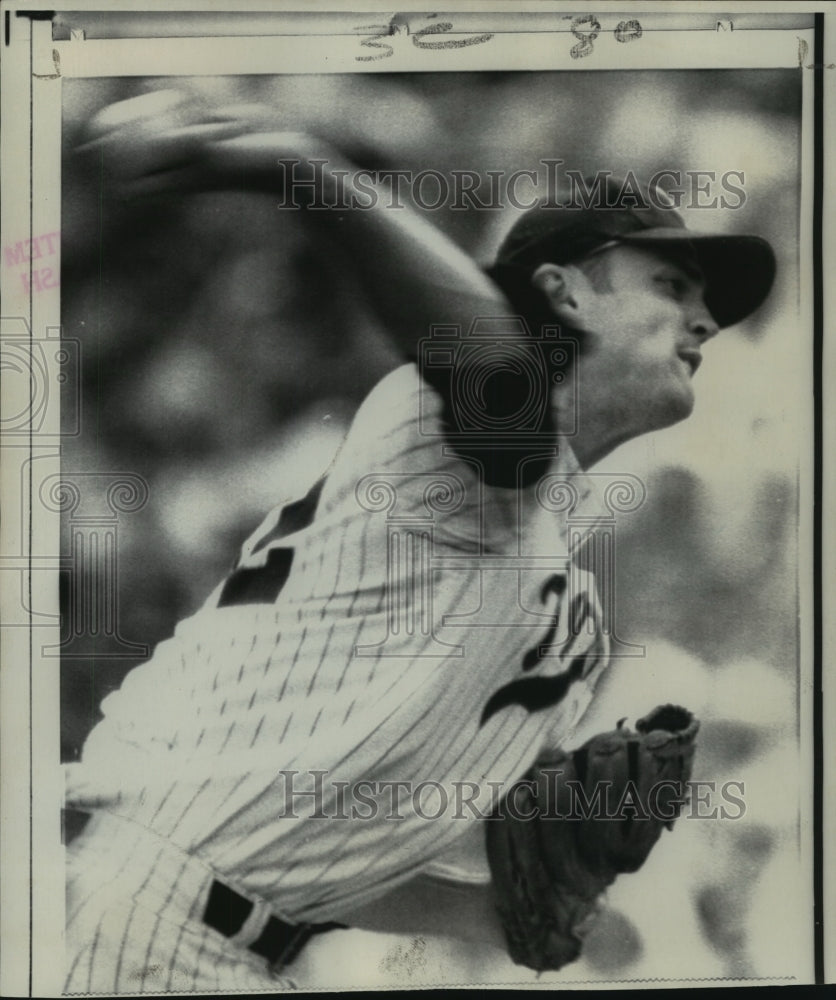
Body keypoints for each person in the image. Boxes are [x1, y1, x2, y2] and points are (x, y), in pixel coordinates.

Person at [63, 93, 775, 993]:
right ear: (563, 291)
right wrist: (302, 168)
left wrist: (499, 909)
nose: (706, 321)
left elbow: (326, 854)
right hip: (131, 907)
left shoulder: (565, 613)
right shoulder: (453, 439)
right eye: (672, 287)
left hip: (208, 938)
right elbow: (501, 388)